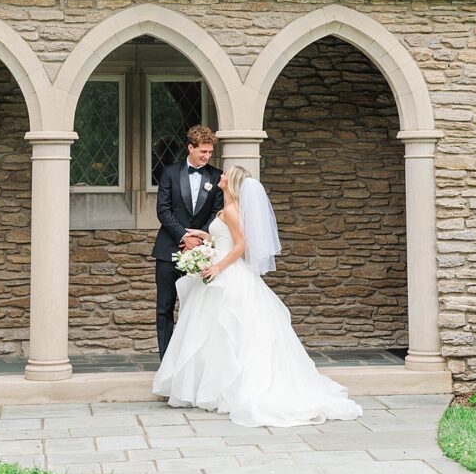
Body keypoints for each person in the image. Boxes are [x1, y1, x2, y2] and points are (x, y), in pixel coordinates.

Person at [153, 165, 362, 428]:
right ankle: (215, 386)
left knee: (228, 330)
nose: (222, 176)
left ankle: (228, 387)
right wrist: (205, 235)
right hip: (222, 270)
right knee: (216, 332)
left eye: (226, 175)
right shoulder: (227, 208)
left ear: (232, 183)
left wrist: (217, 266)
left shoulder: (230, 210)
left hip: (228, 274)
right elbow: (226, 239)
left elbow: (241, 246)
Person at [152, 125, 223, 359]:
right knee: (165, 307)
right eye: (203, 151)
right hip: (169, 249)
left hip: (202, 253)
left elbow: (217, 212)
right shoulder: (169, 172)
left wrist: (200, 238)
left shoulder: (215, 176)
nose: (207, 156)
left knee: (197, 308)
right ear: (190, 148)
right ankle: (167, 361)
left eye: (210, 152)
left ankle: (191, 362)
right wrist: (184, 237)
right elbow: (162, 209)